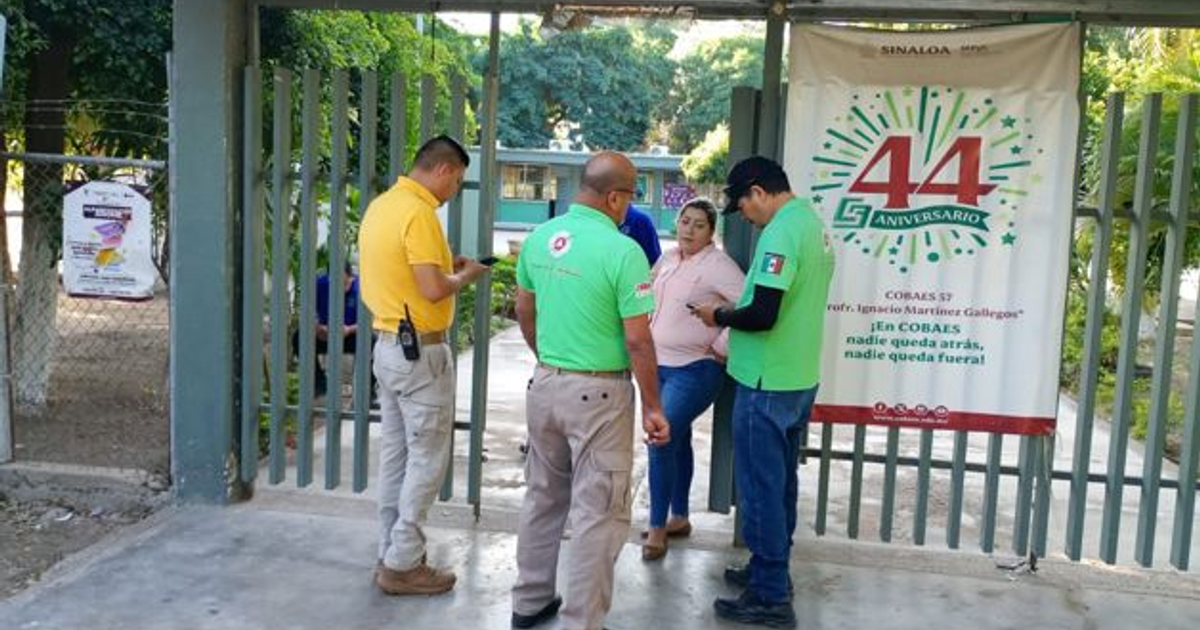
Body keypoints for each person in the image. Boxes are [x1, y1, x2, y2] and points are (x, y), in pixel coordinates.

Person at [510, 151, 671, 630]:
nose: (628, 207)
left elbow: (523, 311)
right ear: (615, 197)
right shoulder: (623, 252)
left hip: (545, 386)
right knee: (599, 512)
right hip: (599, 397)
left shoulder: (540, 238)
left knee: (543, 495)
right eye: (629, 197)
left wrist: (550, 361)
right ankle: (581, 621)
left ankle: (530, 601)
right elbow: (638, 339)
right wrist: (654, 407)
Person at [691, 156, 834, 629]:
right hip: (796, 378)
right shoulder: (811, 223)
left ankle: (770, 596)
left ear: (758, 190)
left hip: (766, 382)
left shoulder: (780, 233)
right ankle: (769, 572)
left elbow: (764, 314)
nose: (745, 217)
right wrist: (737, 308)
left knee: (761, 491)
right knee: (781, 486)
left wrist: (718, 315)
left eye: (744, 206)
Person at [358, 135, 489, 596]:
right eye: (457, 180)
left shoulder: (383, 206)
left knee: (396, 455)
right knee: (429, 459)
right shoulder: (419, 213)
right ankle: (403, 562)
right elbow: (434, 289)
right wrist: (466, 276)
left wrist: (441, 269)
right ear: (445, 171)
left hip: (387, 345)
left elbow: (407, 272)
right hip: (421, 354)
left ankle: (390, 550)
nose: (454, 190)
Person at [641, 197, 745, 561]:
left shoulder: (718, 266)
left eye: (699, 224)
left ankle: (656, 528)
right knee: (676, 439)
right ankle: (679, 517)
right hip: (657, 367)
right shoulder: (668, 258)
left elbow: (748, 306)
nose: (688, 229)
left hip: (696, 368)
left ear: (711, 232)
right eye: (685, 221)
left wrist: (720, 347)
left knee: (660, 436)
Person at [290, 260, 362, 398]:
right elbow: (308, 311)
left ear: (350, 276)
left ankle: (366, 390)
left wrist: (349, 329)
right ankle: (319, 383)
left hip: (352, 335)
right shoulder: (320, 284)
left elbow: (371, 322)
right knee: (299, 338)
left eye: (344, 283)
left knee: (372, 342)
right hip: (325, 335)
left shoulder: (361, 287)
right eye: (335, 283)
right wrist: (317, 328)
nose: (340, 288)